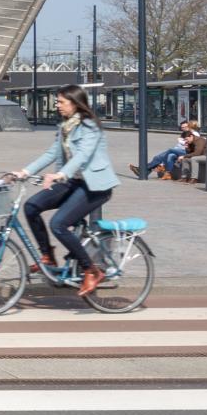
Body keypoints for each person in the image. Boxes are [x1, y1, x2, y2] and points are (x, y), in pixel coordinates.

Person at [18, 86, 119, 298]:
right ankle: (47, 256)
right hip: (73, 181)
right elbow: (51, 153)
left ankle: (91, 269)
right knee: (31, 206)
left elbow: (82, 156)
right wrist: (24, 171)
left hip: (94, 186)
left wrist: (59, 175)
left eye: (61, 102)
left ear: (74, 103)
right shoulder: (65, 126)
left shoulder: (90, 127)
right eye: (57, 102)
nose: (57, 105)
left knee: (58, 224)